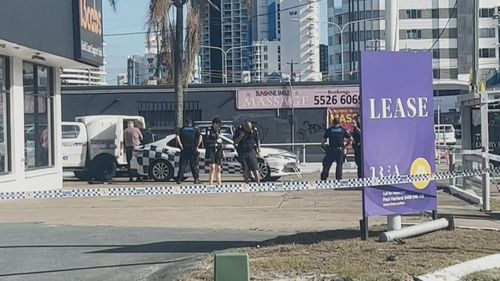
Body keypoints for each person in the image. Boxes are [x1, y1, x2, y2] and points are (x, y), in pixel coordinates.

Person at [176, 118, 202, 184]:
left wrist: (181, 145)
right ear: (191, 123)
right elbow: (200, 137)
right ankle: (196, 179)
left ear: (185, 123)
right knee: (193, 164)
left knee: (183, 165)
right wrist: (197, 145)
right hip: (193, 148)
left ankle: (179, 179)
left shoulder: (182, 129)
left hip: (184, 148)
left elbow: (177, 137)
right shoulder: (195, 129)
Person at [205, 117, 223, 185]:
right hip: (211, 150)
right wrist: (215, 141)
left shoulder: (219, 130)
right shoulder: (209, 130)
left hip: (218, 150)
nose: (218, 126)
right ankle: (211, 184)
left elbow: (221, 139)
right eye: (217, 124)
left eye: (219, 124)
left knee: (218, 168)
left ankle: (219, 183)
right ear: (214, 123)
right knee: (212, 167)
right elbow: (206, 140)